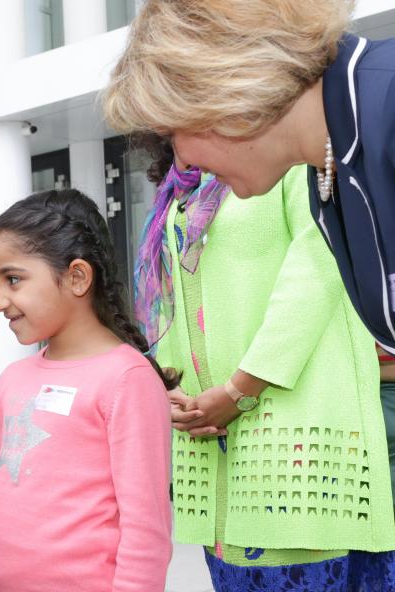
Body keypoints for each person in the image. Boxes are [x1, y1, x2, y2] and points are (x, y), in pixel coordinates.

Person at [134, 134, 395, 592]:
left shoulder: (294, 159)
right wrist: (169, 390)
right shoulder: (180, 188)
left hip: (295, 447)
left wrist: (238, 390)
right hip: (215, 456)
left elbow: (316, 273)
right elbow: (174, 305)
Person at [0, 190, 177, 592]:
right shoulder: (15, 379)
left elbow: (146, 532)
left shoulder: (126, 379)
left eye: (13, 279)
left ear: (77, 277)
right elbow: (1, 496)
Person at [102, 0, 395, 352]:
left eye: (172, 134)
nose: (181, 164)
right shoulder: (326, 173)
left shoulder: (386, 104)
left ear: (224, 93)